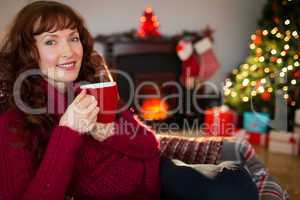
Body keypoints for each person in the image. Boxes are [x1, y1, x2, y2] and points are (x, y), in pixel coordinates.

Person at [0, 1, 259, 200]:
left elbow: (150, 145)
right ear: (29, 52)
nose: (68, 51)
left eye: (73, 37)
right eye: (51, 41)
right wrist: (68, 133)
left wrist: (112, 133)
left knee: (238, 185)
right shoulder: (15, 124)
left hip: (158, 176)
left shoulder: (95, 88)